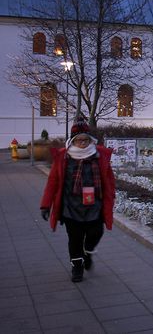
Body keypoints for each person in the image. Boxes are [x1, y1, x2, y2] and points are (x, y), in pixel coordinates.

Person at [40, 113, 115, 282]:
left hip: (94, 207)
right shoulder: (64, 157)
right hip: (71, 207)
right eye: (79, 140)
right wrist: (45, 205)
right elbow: (53, 182)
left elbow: (109, 180)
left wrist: (111, 197)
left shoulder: (99, 157)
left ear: (90, 140)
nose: (82, 143)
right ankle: (77, 267)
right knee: (74, 239)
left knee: (96, 233)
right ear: (72, 141)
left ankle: (88, 252)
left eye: (85, 140)